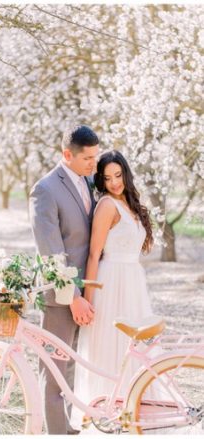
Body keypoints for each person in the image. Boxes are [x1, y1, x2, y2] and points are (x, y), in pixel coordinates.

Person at [72, 150, 156, 423]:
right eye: (107, 178)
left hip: (133, 281)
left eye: (118, 175)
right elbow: (95, 254)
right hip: (111, 280)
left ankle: (133, 407)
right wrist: (88, 298)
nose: (114, 182)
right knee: (110, 346)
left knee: (134, 347)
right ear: (102, 181)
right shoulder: (107, 205)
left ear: (125, 174)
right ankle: (106, 411)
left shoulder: (130, 203)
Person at [29, 125, 100, 434]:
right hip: (60, 297)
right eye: (87, 158)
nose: (94, 164)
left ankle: (69, 428)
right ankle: (56, 432)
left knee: (71, 366)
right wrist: (72, 296)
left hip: (87, 291)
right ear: (67, 155)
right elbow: (51, 251)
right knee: (55, 370)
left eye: (96, 156)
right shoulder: (45, 189)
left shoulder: (87, 181)